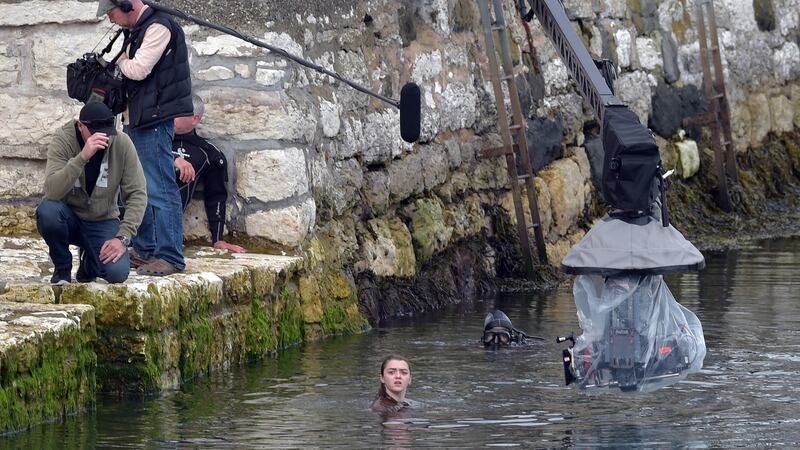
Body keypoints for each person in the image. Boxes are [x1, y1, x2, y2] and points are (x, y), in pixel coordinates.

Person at [98, 0, 193, 276]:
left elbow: (138, 69)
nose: (110, 19)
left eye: (111, 12)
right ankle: (145, 249)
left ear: (126, 4)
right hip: (138, 117)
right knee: (137, 186)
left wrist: (121, 60)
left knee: (160, 187)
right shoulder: (139, 28)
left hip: (154, 120)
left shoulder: (159, 26)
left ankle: (170, 256)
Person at [37, 102, 147, 284]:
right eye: (95, 131)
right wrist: (82, 157)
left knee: (117, 273)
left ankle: (88, 264)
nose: (103, 136)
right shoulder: (63, 139)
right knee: (47, 212)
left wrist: (123, 237)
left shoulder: (122, 143)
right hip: (69, 217)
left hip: (102, 220)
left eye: (107, 131)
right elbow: (51, 191)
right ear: (80, 125)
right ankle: (62, 269)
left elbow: (138, 193)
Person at [173, 95, 245, 253]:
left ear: (194, 119)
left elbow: (216, 195)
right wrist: (173, 159)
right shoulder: (151, 142)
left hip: (167, 228)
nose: (171, 116)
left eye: (178, 113)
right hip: (129, 217)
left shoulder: (209, 153)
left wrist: (218, 239)